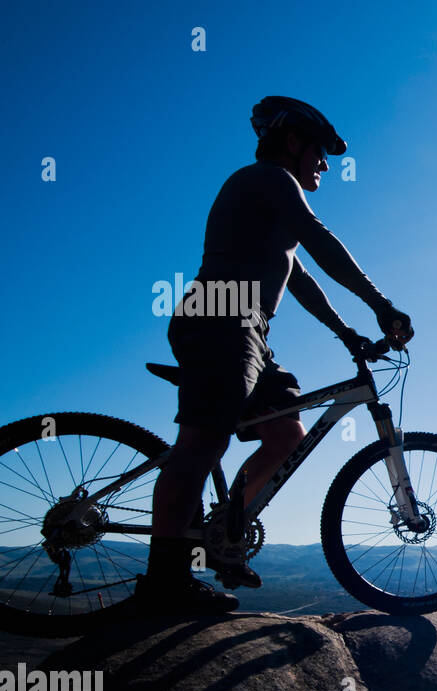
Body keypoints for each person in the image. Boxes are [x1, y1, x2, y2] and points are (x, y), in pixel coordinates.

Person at [135, 96, 414, 614]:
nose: (326, 166)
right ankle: (166, 578)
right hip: (223, 314)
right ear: (292, 142)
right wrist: (381, 305)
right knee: (203, 441)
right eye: (320, 153)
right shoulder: (268, 179)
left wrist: (347, 332)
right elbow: (321, 240)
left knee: (287, 434)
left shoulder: (271, 208)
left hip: (248, 327)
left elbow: (302, 280)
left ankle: (223, 530)